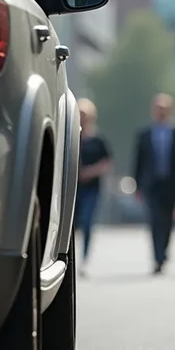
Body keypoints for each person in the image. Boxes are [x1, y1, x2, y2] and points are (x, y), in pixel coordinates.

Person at [133, 93, 175, 275]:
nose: (161, 112)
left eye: (164, 109)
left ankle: (164, 252)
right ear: (153, 111)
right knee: (155, 219)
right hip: (151, 185)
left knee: (167, 221)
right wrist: (136, 185)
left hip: (171, 184)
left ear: (169, 111)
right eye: (158, 109)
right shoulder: (144, 134)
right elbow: (138, 161)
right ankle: (158, 258)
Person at [75, 98, 112, 275]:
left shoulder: (97, 140)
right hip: (72, 188)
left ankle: (85, 258)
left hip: (91, 188)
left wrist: (89, 172)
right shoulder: (72, 137)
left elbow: (106, 163)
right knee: (72, 224)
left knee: (87, 221)